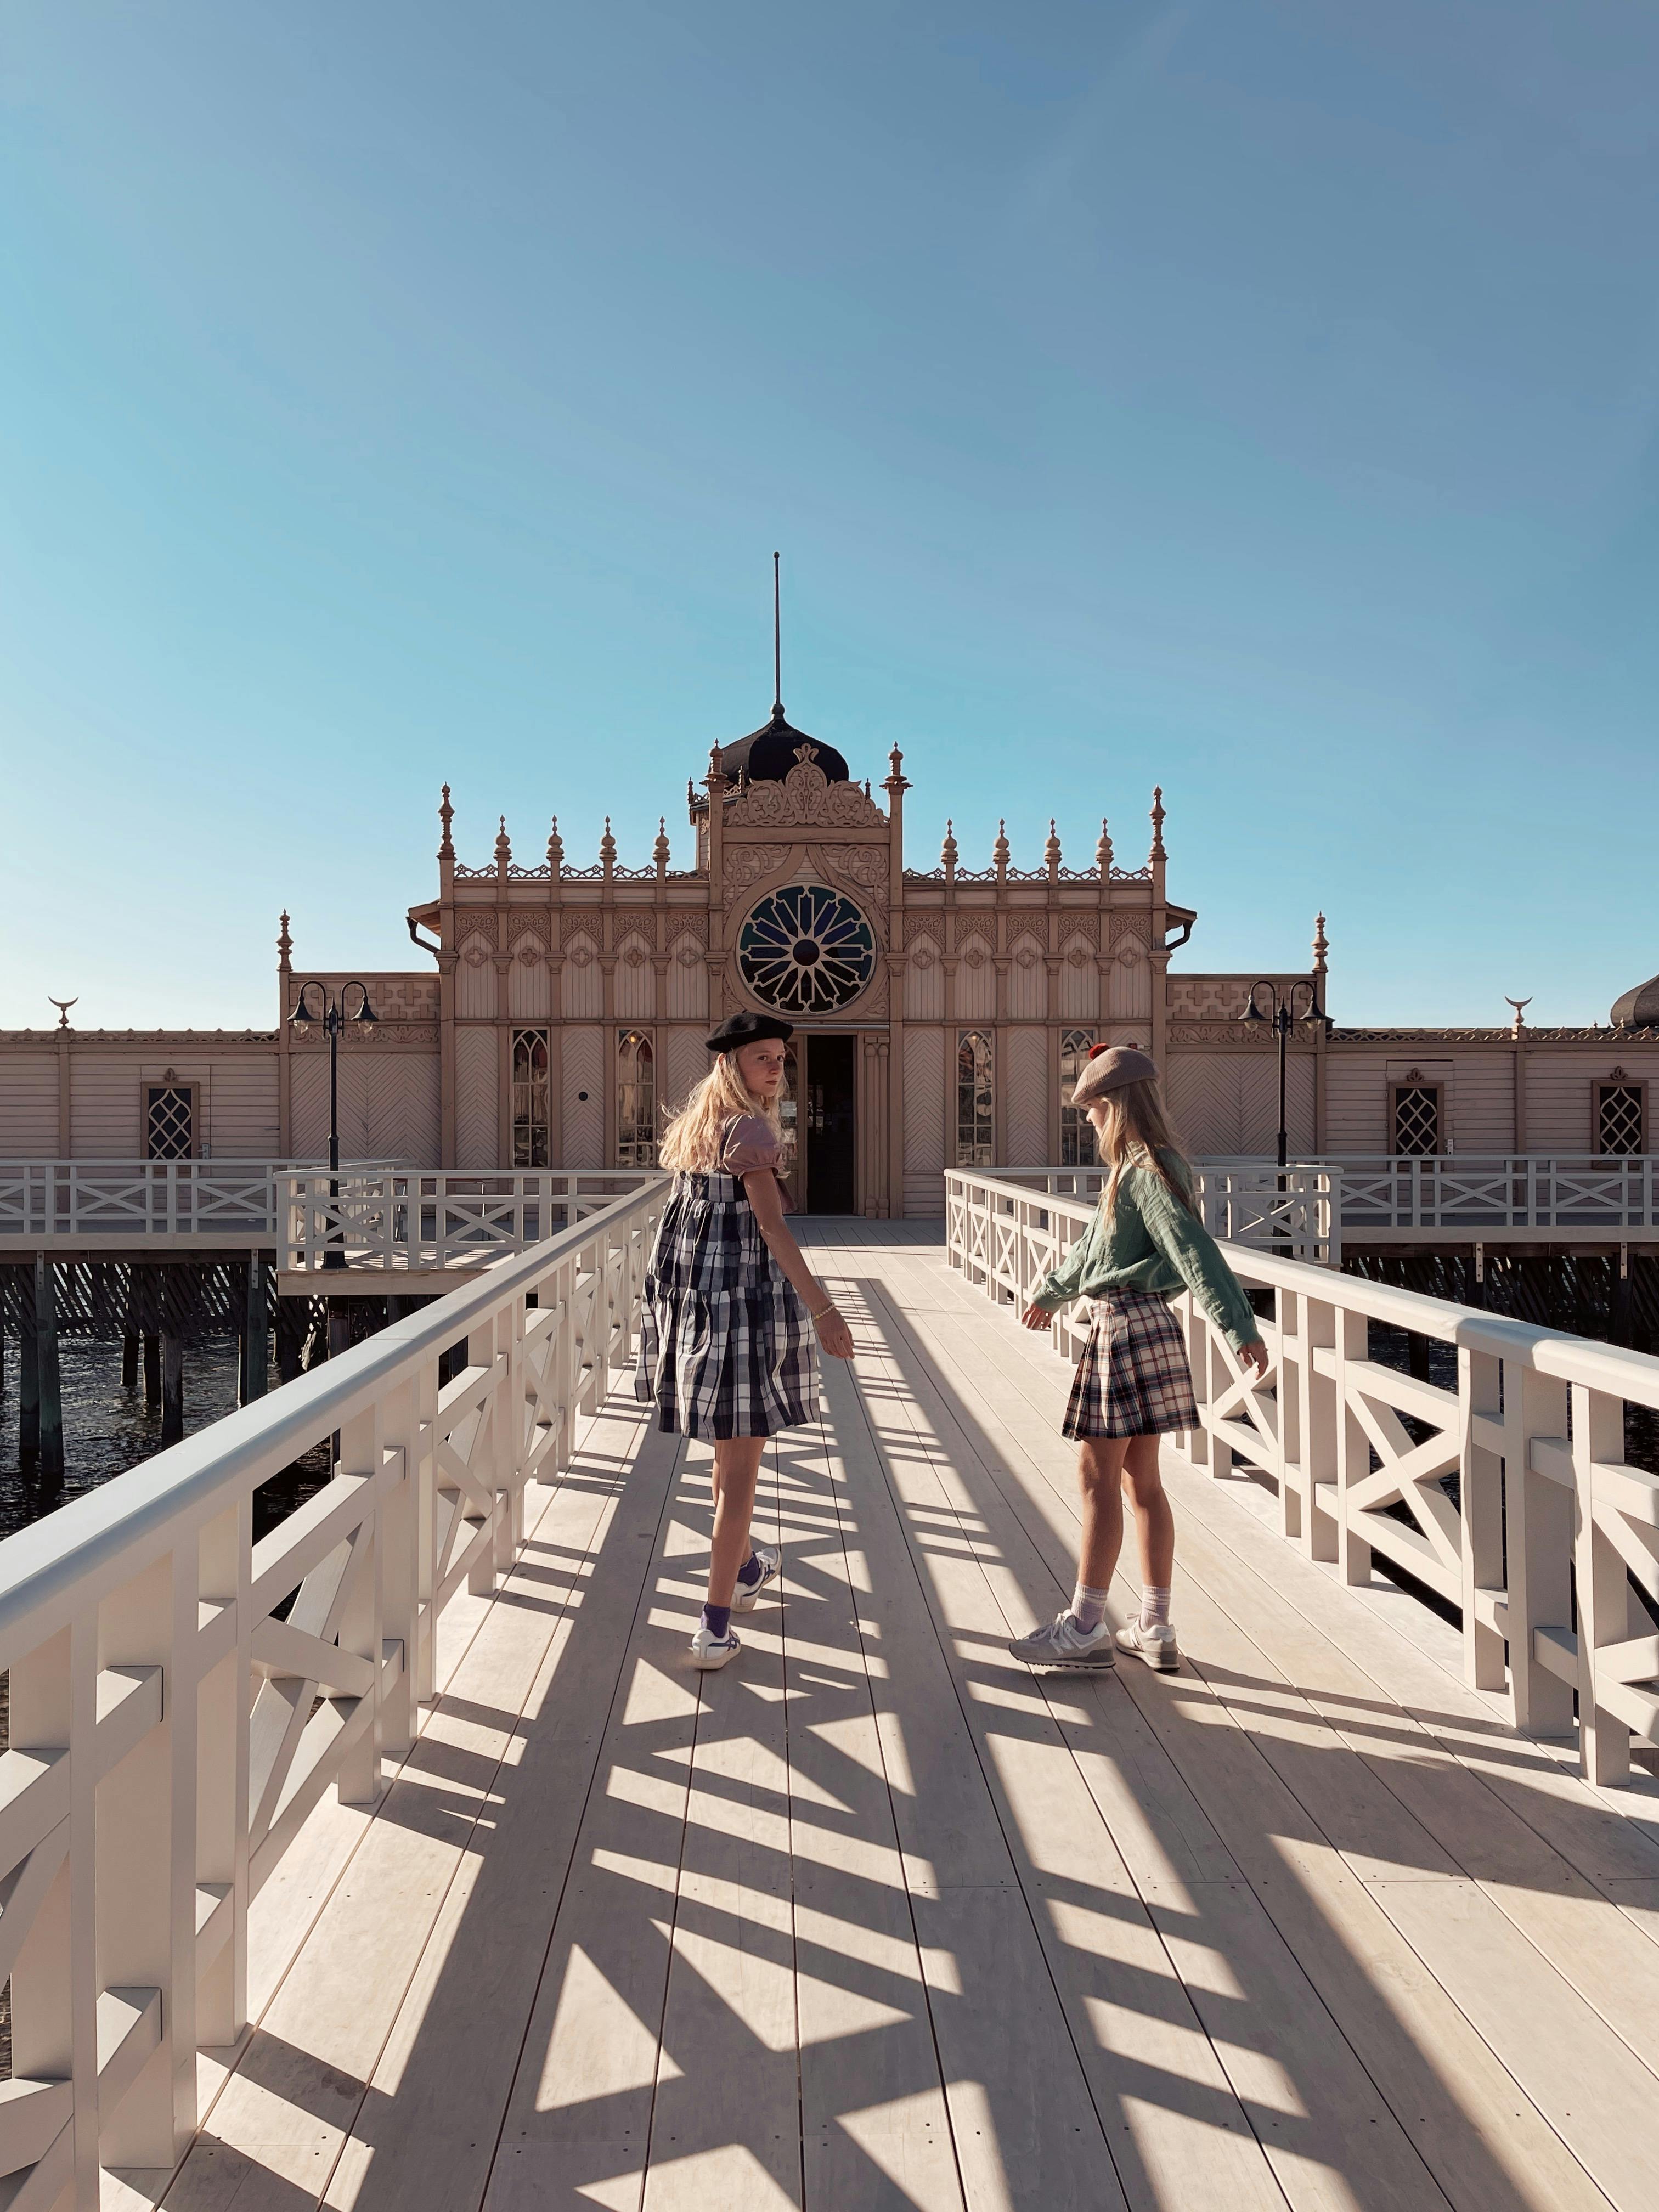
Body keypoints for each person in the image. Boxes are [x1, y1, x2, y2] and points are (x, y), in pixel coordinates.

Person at [1007, 1047, 1269, 1674]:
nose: (1089, 1122)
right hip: (1153, 1328)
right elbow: (1097, 1250)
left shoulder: (1143, 1170)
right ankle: (1155, 1627)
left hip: (1123, 1330)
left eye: (1093, 1110)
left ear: (1116, 1107)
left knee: (1099, 1481)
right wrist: (1050, 1291)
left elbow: (1191, 1250)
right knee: (1142, 1484)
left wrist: (1239, 1326)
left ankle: (1085, 1626)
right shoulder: (1151, 1166)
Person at [637, 1009, 857, 1670]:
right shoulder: (751, 1129)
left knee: (726, 1460)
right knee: (741, 1475)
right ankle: (713, 1626)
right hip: (742, 1309)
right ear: (732, 1065)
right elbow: (771, 1229)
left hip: (700, 1306)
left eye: (780, 1058)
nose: (776, 1067)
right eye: (763, 1057)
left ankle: (747, 1568)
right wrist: (824, 1311)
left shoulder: (700, 1128)